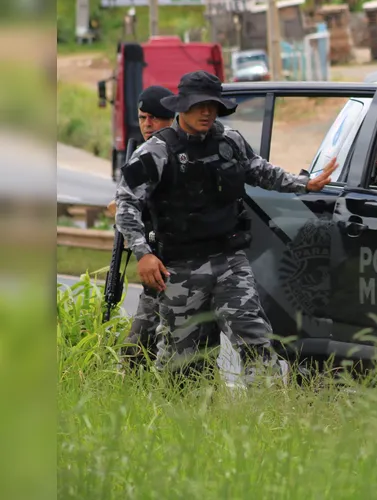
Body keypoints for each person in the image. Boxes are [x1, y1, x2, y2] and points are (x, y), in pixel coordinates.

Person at [114, 70, 338, 387]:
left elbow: (261, 171)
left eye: (213, 106)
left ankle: (264, 422)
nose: (207, 112)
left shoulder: (229, 141)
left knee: (256, 341)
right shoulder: (156, 151)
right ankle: (185, 423)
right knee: (183, 365)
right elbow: (125, 203)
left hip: (229, 261)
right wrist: (143, 254)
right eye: (199, 105)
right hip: (180, 269)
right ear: (181, 107)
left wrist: (305, 184)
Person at [107, 85, 202, 367]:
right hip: (156, 265)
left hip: (186, 266)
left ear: (171, 117)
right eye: (143, 118)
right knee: (135, 351)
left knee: (183, 354)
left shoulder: (183, 152)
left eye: (155, 118)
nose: (148, 125)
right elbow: (124, 202)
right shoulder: (145, 155)